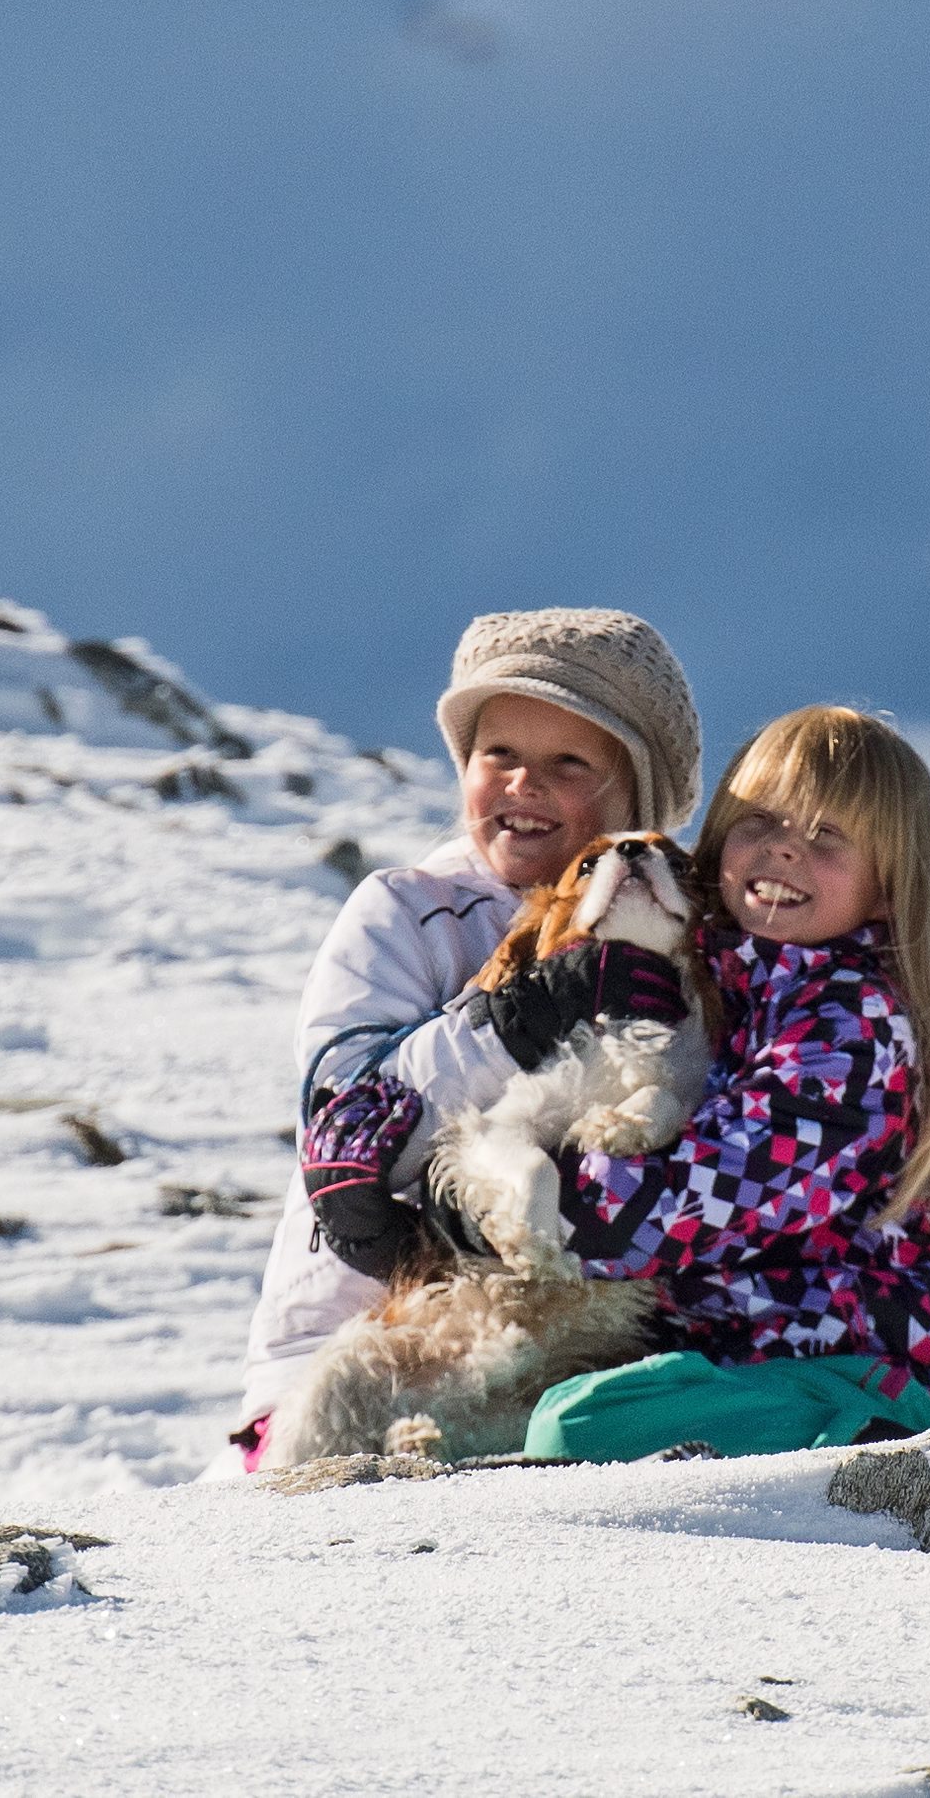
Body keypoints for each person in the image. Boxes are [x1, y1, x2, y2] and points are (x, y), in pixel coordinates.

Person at [234, 608, 704, 1463]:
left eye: (570, 762)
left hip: (589, 1349)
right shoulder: (406, 911)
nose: (525, 783)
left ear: (636, 793)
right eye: (501, 755)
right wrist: (523, 1015)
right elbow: (347, 1116)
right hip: (367, 1344)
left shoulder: (688, 935)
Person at [524, 705, 930, 1455]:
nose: (784, 850)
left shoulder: (851, 1028)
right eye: (762, 821)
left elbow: (664, 1214)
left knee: (570, 1425)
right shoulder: (733, 987)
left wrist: (536, 1187)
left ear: (886, 886)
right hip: (749, 1357)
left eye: (827, 835)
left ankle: (879, 1450)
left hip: (859, 1370)